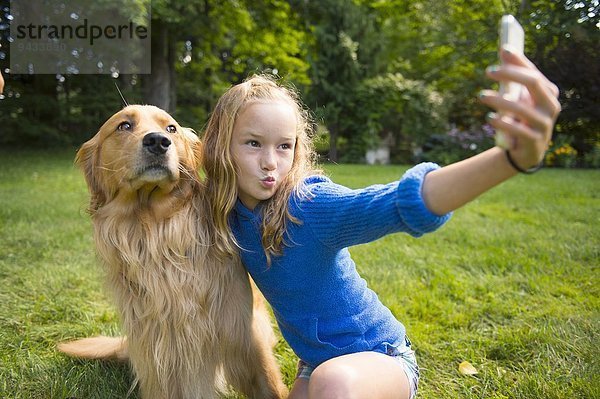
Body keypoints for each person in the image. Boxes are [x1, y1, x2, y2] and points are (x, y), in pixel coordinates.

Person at [200, 47, 560, 399]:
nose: (270, 163)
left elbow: (398, 202)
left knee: (333, 384)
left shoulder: (308, 206)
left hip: (381, 358)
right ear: (220, 147)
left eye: (284, 146)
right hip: (315, 366)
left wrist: (509, 160)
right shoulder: (227, 216)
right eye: (253, 143)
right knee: (327, 379)